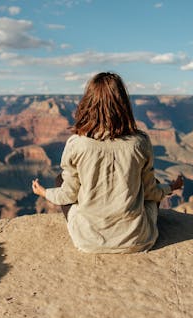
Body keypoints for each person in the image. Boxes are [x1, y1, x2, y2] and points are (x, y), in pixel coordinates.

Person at [32, 72, 183, 254]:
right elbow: (151, 192)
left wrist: (44, 193)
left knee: (60, 180)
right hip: (136, 239)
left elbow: (69, 195)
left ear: (88, 103)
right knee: (154, 184)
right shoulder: (140, 142)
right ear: (123, 104)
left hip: (88, 240)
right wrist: (170, 187)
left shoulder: (76, 143)